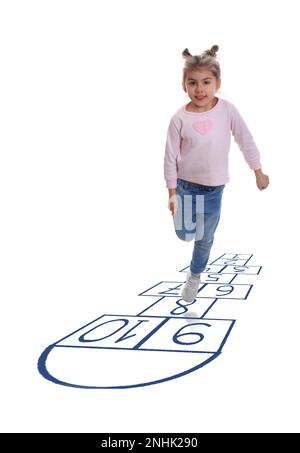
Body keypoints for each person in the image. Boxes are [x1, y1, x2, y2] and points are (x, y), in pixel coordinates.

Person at [163, 45, 269, 303]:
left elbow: (246, 140)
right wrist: (172, 192)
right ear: (184, 85)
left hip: (214, 190)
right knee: (184, 234)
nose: (200, 89)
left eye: (206, 82)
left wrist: (258, 171)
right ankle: (190, 225)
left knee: (204, 239)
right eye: (193, 83)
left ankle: (194, 277)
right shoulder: (179, 118)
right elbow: (168, 157)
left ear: (217, 83)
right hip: (186, 186)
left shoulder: (227, 110)